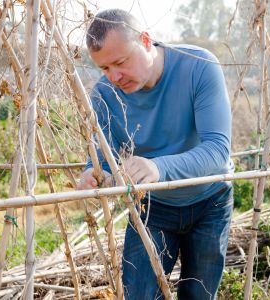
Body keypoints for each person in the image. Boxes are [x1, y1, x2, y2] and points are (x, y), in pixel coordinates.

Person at [77, 9, 234, 299]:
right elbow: (102, 157)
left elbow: (218, 150)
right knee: (140, 294)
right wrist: (94, 173)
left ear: (146, 40)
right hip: (152, 207)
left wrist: (157, 168)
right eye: (104, 69)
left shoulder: (198, 66)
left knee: (198, 295)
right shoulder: (103, 95)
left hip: (209, 201)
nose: (114, 77)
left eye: (120, 62)